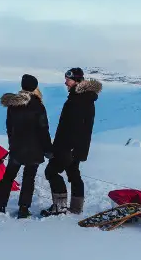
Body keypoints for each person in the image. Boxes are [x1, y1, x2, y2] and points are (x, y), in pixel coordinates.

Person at [0, 74, 53, 218]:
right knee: (28, 178)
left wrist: (12, 143)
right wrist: (48, 149)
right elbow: (43, 130)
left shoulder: (13, 105)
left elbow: (9, 127)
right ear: (35, 88)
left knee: (8, 177)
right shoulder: (38, 106)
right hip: (34, 149)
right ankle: (23, 209)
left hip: (17, 148)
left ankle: (0, 206)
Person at [41, 67, 102, 216]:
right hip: (77, 147)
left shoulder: (78, 100)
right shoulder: (84, 98)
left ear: (76, 81)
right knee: (74, 174)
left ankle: (60, 207)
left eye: (68, 79)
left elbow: (73, 128)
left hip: (68, 147)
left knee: (51, 172)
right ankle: (76, 207)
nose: (65, 82)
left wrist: (66, 149)